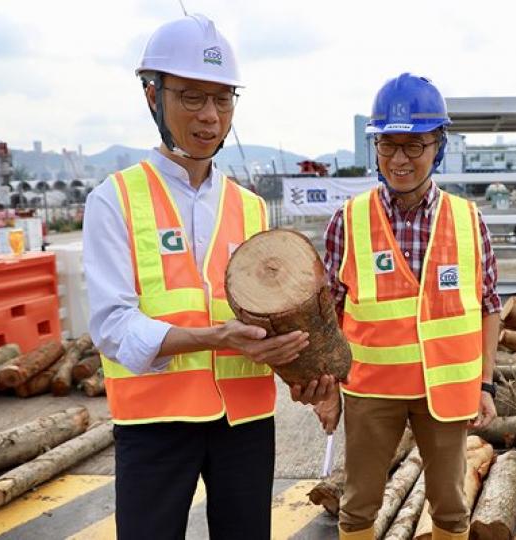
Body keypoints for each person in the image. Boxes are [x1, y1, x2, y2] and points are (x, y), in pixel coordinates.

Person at [82, 14, 334, 540]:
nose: (210, 117)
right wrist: (216, 338)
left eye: (223, 99)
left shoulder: (251, 208)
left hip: (243, 423)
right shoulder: (116, 199)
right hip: (154, 424)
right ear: (153, 96)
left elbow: (274, 315)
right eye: (192, 97)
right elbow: (112, 325)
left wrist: (312, 376)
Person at [314, 73, 501, 540]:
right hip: (371, 388)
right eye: (388, 145)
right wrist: (327, 387)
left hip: (446, 392)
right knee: (358, 506)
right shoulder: (349, 219)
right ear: (375, 147)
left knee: (452, 506)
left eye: (414, 145)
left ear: (438, 145)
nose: (400, 159)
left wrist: (486, 385)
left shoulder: (468, 220)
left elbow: (488, 306)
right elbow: (327, 313)